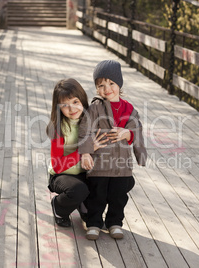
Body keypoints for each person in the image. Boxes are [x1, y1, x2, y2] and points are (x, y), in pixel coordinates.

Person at [78, 60, 147, 240]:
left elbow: (137, 130)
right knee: (97, 196)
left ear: (119, 84)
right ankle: (94, 223)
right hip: (100, 164)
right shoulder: (94, 108)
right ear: (96, 88)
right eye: (101, 85)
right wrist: (86, 153)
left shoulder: (129, 109)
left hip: (121, 165)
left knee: (118, 197)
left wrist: (128, 135)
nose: (107, 89)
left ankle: (114, 222)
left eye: (111, 83)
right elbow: (84, 130)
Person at [46, 78, 108, 227]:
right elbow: (58, 166)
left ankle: (84, 206)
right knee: (78, 190)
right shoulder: (58, 128)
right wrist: (86, 150)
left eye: (75, 102)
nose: (72, 108)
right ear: (58, 107)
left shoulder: (93, 120)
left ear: (82, 99)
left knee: (108, 183)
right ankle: (59, 207)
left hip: (86, 173)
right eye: (65, 105)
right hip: (62, 175)